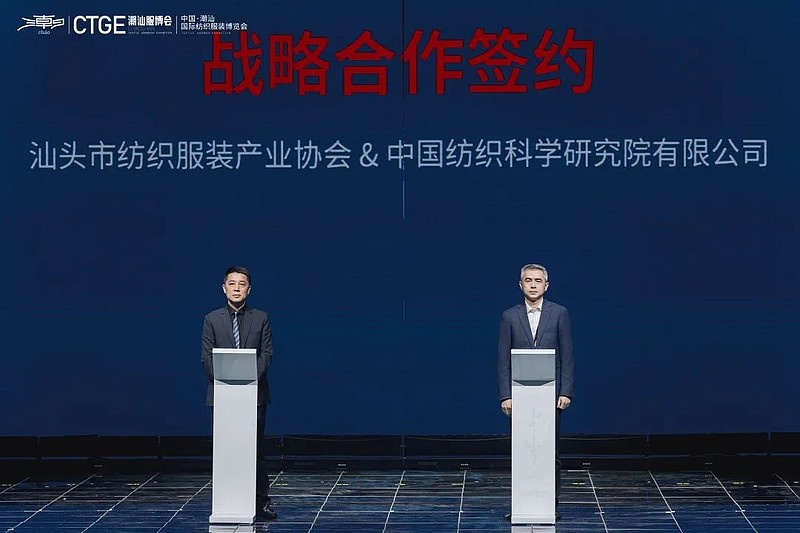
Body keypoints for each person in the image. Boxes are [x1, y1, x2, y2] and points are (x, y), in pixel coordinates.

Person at [497, 263, 574, 518]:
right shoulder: (509, 316)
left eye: (538, 281)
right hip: (519, 395)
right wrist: (506, 395)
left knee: (549, 453)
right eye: (528, 280)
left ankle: (550, 505)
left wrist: (565, 391)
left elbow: (567, 355)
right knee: (522, 451)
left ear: (546, 285)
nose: (533, 285)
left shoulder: (559, 313)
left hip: (550, 395)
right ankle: (521, 506)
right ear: (520, 285)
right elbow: (503, 359)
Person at [201, 266, 276, 521]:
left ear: (249, 289)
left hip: (254, 395)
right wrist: (227, 380)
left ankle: (261, 502)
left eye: (241, 284)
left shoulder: (261, 318)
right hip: (222, 395)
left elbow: (266, 354)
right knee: (226, 449)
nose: (236, 288)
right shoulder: (212, 319)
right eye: (231, 283)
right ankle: (227, 501)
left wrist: (249, 378)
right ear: (224, 288)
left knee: (256, 451)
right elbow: (206, 358)